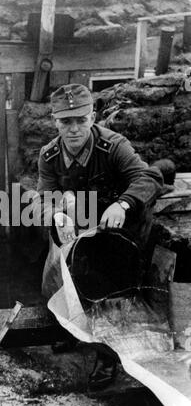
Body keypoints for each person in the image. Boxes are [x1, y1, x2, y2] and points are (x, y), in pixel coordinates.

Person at [33, 83, 164, 389]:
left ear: (92, 117)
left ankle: (107, 358)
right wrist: (55, 215)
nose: (74, 129)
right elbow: (43, 196)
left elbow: (149, 177)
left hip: (119, 226)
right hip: (80, 224)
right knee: (60, 274)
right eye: (66, 122)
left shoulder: (113, 146)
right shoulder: (49, 155)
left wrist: (123, 203)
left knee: (109, 289)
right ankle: (70, 330)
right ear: (55, 121)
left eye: (81, 120)